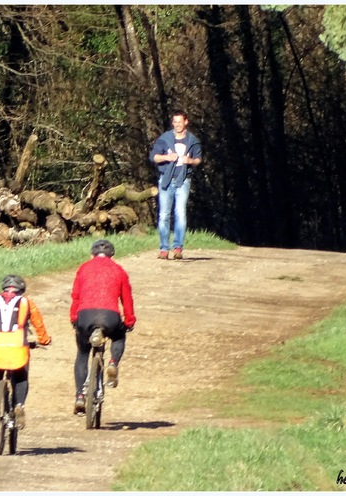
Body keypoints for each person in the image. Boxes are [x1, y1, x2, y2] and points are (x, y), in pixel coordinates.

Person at [69, 239, 136, 415]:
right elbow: (126, 299)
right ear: (112, 256)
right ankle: (113, 363)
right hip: (110, 316)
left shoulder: (83, 268)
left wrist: (74, 317)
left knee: (83, 353)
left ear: (92, 254)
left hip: (85, 316)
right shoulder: (119, 270)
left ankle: (80, 396)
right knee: (119, 336)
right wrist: (129, 320)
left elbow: (76, 295)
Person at [0, 274, 51, 430]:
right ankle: (19, 404)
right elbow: (38, 322)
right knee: (21, 375)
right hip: (18, 343)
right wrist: (44, 339)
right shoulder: (27, 302)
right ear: (22, 289)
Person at [149, 110, 202, 260]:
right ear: (172, 123)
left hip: (183, 180)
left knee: (180, 214)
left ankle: (178, 247)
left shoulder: (193, 141)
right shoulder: (164, 138)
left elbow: (198, 159)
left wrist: (190, 161)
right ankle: (164, 249)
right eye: (175, 122)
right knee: (164, 215)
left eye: (180, 122)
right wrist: (167, 157)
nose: (177, 125)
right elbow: (154, 157)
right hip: (165, 180)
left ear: (186, 122)